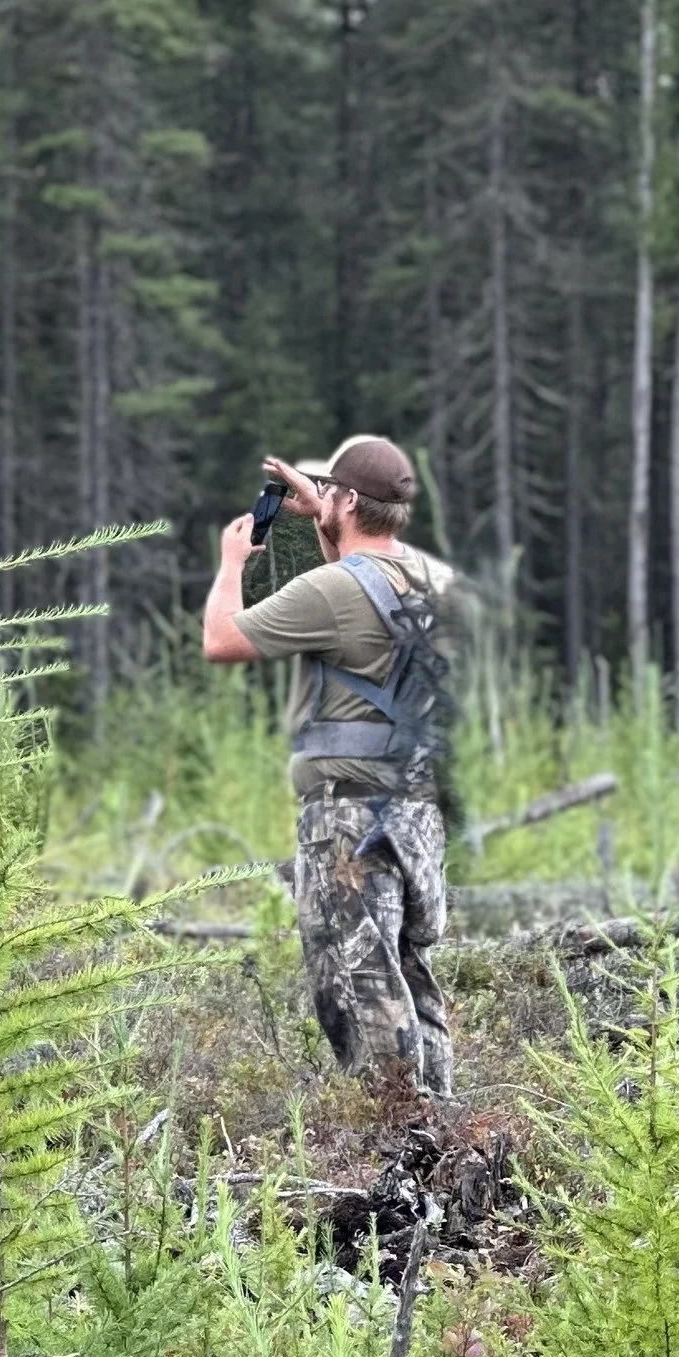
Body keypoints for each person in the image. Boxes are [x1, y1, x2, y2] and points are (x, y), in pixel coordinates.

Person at [201, 435, 459, 1100]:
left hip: (348, 821)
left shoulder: (330, 589)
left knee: (357, 987)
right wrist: (328, 512)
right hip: (417, 814)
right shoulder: (432, 579)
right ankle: (442, 1126)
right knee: (409, 977)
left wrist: (232, 563)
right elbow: (364, 584)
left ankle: (399, 1134)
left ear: (345, 500)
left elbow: (222, 640)